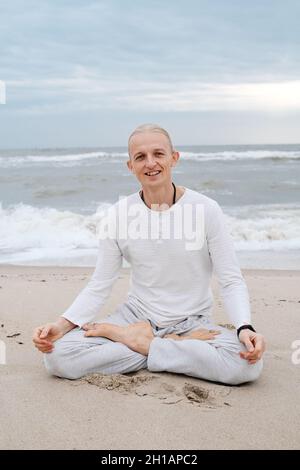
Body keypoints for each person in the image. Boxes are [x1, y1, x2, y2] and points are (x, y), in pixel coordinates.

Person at [32, 124, 265, 385]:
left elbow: (231, 279)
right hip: (134, 318)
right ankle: (169, 348)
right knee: (58, 357)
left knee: (245, 366)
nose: (150, 163)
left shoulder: (206, 210)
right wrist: (61, 326)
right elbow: (100, 283)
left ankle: (139, 342)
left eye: (158, 154)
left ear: (173, 158)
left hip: (192, 323)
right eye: (140, 157)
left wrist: (244, 326)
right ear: (130, 165)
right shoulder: (117, 215)